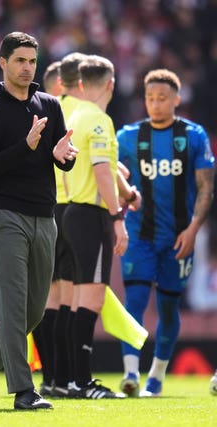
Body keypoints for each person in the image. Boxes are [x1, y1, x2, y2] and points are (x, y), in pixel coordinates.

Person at [0, 31, 77, 411]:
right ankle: (24, 391)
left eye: (32, 61)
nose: (27, 67)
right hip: (3, 214)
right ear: (3, 63)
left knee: (33, 312)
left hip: (44, 214)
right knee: (12, 308)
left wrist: (63, 157)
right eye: (20, 60)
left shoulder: (50, 105)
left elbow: (60, 156)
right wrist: (25, 146)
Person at [116, 69, 215, 397]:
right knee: (136, 300)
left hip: (178, 238)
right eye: (150, 98)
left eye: (162, 98)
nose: (155, 104)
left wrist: (193, 229)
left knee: (169, 308)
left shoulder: (193, 135)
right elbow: (110, 174)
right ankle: (131, 374)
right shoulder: (128, 137)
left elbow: (206, 187)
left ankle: (156, 378)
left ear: (176, 99)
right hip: (139, 235)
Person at [62, 55, 133, 399]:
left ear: (78, 85)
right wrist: (118, 218)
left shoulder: (76, 116)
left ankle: (73, 380)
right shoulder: (100, 120)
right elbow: (103, 170)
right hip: (92, 215)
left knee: (78, 300)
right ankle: (83, 382)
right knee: (89, 300)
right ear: (110, 84)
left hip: (73, 211)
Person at [33, 54, 86, 397]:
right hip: (68, 210)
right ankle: (66, 378)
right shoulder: (72, 116)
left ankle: (51, 379)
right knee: (68, 297)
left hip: (43, 211)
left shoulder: (36, 115)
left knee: (48, 300)